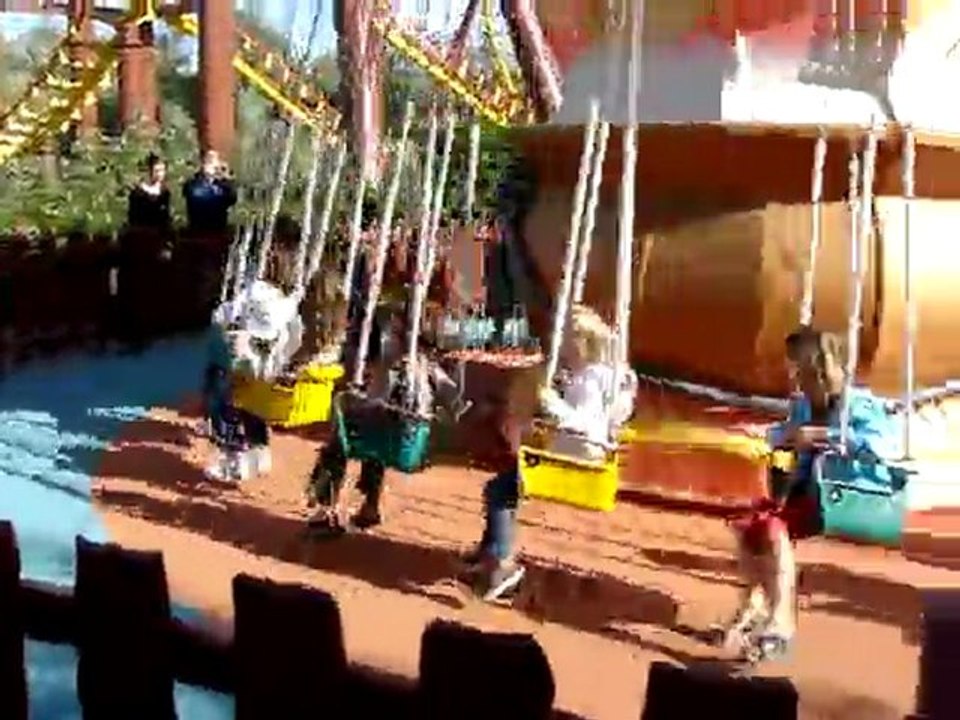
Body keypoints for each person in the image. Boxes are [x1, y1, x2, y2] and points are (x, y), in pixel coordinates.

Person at [725, 327, 901, 659]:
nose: (794, 377)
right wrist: (768, 436)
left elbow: (882, 445)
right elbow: (790, 432)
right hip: (806, 491)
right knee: (749, 525)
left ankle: (781, 621)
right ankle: (753, 605)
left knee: (775, 532)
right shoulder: (804, 405)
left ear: (820, 368)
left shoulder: (860, 405)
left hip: (846, 493)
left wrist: (826, 436)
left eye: (799, 368)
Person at [462, 305, 638, 601]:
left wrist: (550, 402)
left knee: (500, 491)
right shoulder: (613, 377)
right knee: (502, 489)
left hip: (575, 449)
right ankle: (489, 554)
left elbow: (579, 420)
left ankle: (501, 563)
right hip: (590, 449)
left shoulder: (591, 379)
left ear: (581, 342)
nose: (564, 350)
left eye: (567, 342)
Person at [306, 302, 465, 536]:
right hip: (396, 426)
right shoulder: (426, 365)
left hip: (388, 421)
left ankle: (326, 506)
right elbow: (451, 396)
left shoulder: (397, 358)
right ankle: (369, 504)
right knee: (374, 445)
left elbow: (372, 384)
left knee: (342, 441)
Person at [182, 150, 237, 235]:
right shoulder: (192, 184)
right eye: (209, 162)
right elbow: (189, 194)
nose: (211, 166)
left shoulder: (223, 185)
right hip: (197, 230)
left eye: (214, 163)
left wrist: (226, 179)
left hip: (218, 230)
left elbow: (232, 199)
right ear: (203, 164)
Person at [127, 153, 171, 231]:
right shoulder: (137, 193)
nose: (160, 174)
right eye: (157, 171)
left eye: (162, 170)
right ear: (150, 171)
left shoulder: (164, 192)